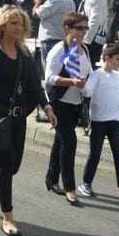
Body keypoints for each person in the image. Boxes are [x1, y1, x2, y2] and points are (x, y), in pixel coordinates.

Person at [0, 5, 56, 236]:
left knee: (12, 167)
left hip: (18, 120)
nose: (18, 27)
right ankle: (7, 218)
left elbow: (35, 86)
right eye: (13, 23)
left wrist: (47, 106)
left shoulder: (25, 54)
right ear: (2, 26)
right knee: (6, 167)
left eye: (21, 23)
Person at [77, 44, 119, 201]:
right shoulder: (96, 75)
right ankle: (85, 183)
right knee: (95, 153)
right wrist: (81, 84)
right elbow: (88, 91)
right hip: (99, 122)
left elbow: (118, 96)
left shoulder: (116, 75)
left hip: (114, 122)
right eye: (117, 59)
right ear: (107, 58)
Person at [44, 12, 93, 205]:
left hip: (76, 104)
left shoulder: (85, 50)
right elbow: (50, 77)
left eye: (85, 28)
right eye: (79, 28)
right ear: (68, 29)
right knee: (69, 143)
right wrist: (72, 81)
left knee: (61, 141)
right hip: (59, 103)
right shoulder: (61, 49)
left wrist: (87, 84)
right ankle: (70, 188)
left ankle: (51, 178)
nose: (83, 32)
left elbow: (88, 73)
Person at [33, 0, 75, 67]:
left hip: (51, 41)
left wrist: (37, 3)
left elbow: (36, 14)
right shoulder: (71, 2)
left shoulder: (54, 0)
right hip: (64, 40)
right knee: (61, 70)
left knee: (49, 70)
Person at [77, 0, 108, 68]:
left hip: (92, 39)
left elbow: (95, 21)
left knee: (88, 66)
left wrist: (85, 41)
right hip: (88, 36)